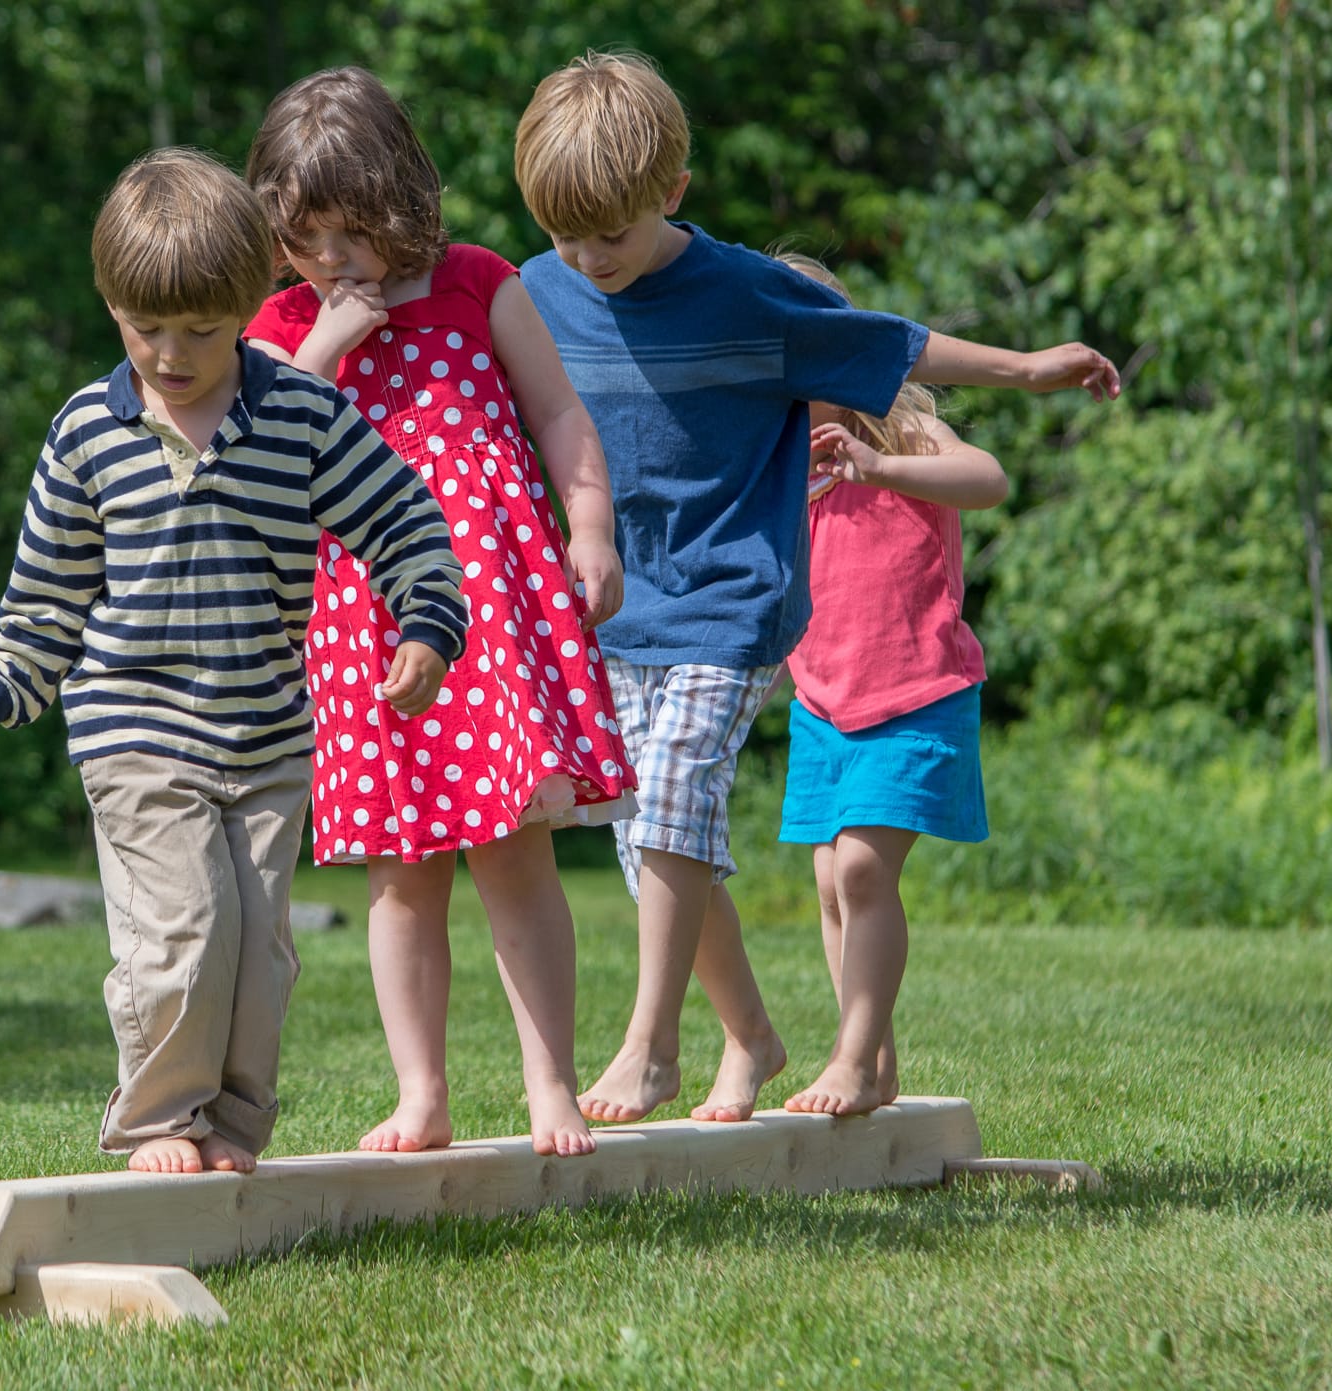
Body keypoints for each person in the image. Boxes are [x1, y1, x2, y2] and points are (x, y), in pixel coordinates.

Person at [511, 52, 1120, 1125]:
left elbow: (898, 345)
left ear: (672, 190)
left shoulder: (754, 294)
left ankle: (651, 1044)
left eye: (611, 231)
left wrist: (1026, 369)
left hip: (732, 598)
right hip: (615, 612)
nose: (589, 257)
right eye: (568, 235)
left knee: (677, 797)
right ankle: (752, 1034)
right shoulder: (540, 291)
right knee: (649, 831)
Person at [0, 148, 468, 1175]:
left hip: (266, 734)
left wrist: (426, 626)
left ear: (252, 305)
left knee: (259, 952)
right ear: (111, 306)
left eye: (202, 331)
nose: (172, 355)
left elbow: (407, 524)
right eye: (146, 330)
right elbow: (48, 597)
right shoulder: (89, 432)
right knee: (184, 932)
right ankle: (154, 1124)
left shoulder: (303, 418)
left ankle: (228, 1127)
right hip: (135, 729)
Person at [243, 67, 634, 1158]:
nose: (332, 258)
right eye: (307, 235)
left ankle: (551, 1084)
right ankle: (422, 1093)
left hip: (492, 611)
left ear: (401, 200)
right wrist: (326, 343)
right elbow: (265, 462)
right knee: (402, 876)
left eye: (353, 230)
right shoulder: (273, 332)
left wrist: (591, 530)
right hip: (371, 626)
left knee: (516, 853)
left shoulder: (478, 281)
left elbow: (560, 415)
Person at [775, 251, 1005, 1116]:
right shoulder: (782, 458)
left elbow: (988, 479)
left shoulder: (903, 431)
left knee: (866, 870)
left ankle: (849, 1056)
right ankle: (874, 1065)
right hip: (824, 705)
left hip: (917, 694)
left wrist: (880, 469)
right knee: (834, 882)